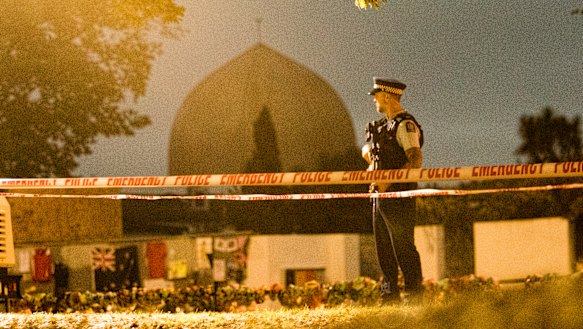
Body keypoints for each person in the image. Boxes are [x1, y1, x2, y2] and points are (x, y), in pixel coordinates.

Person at [362, 77, 424, 304]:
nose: (374, 100)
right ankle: (389, 294)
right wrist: (372, 164)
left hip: (399, 195)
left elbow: (415, 160)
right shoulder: (382, 126)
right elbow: (367, 150)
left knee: (403, 245)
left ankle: (415, 293)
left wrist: (387, 182)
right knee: (383, 247)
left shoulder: (405, 125)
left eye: (377, 95)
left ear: (387, 96)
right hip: (380, 196)